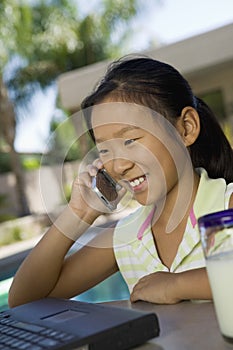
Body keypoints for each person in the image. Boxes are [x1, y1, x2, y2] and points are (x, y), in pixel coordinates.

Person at [8, 56, 233, 308]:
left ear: (186, 128)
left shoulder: (227, 203)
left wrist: (178, 284)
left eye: (130, 141)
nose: (119, 165)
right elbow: (24, 300)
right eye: (105, 151)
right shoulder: (126, 237)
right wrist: (78, 214)